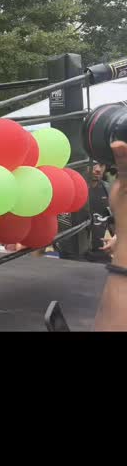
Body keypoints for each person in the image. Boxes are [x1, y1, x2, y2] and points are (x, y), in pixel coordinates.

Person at [94, 140, 127, 331]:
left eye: (101, 165)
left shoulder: (107, 189)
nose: (98, 169)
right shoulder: (79, 189)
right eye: (94, 165)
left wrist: (121, 239)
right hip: (81, 258)